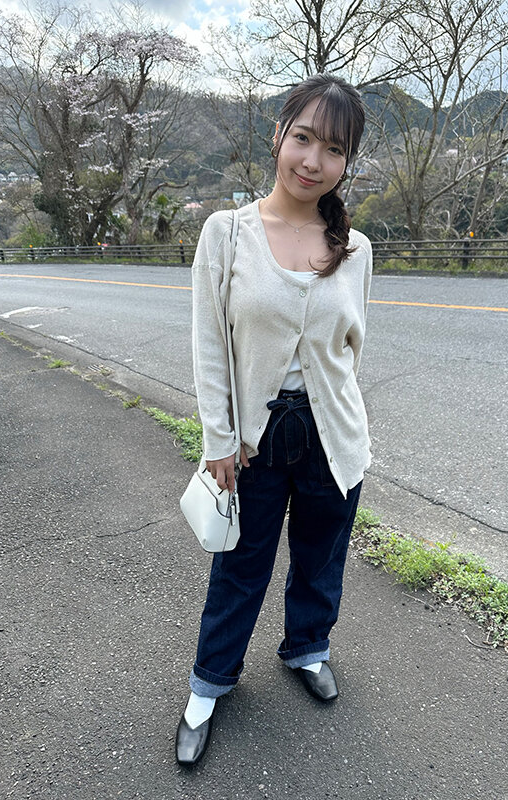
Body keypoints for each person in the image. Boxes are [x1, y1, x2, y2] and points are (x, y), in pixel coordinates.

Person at [176, 73, 373, 767]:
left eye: (333, 149)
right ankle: (210, 683)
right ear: (279, 137)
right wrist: (219, 440)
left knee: (322, 557)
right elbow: (209, 346)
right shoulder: (227, 233)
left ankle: (308, 648)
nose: (313, 160)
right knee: (240, 567)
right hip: (254, 440)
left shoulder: (357, 248)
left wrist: (340, 424)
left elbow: (349, 351)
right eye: (304, 138)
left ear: (346, 162)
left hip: (332, 435)